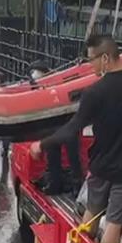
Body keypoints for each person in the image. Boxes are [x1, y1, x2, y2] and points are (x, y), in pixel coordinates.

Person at [30, 34, 122, 243]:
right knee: (114, 225)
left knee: (91, 214)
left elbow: (72, 128)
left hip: (100, 166)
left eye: (92, 60)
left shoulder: (94, 92)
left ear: (105, 58)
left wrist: (42, 144)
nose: (90, 65)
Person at [28, 62, 83, 195]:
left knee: (72, 154)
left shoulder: (58, 84)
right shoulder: (37, 88)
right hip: (52, 123)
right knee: (53, 154)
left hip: (67, 122)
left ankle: (77, 184)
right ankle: (55, 183)